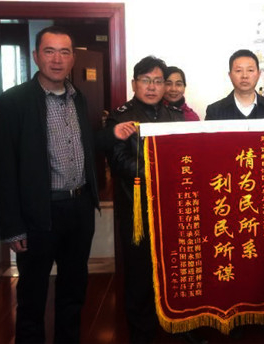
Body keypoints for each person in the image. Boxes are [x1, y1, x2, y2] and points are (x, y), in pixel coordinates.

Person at [0, 26, 128, 343]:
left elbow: (83, 145)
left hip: (79, 209)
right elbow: (3, 167)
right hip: (38, 213)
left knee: (73, 289)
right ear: (35, 56)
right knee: (32, 295)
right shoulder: (14, 101)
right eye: (49, 51)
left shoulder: (78, 97)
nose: (57, 59)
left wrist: (111, 135)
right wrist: (12, 225)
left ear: (72, 59)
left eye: (64, 52)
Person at [102, 56, 183, 343]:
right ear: (134, 83)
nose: (152, 87)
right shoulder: (120, 117)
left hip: (171, 209)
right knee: (139, 274)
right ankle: (141, 333)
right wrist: (160, 170)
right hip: (137, 209)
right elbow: (120, 162)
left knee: (173, 270)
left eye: (158, 81)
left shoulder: (175, 116)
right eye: (145, 80)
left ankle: (175, 325)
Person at [205, 49, 264, 120]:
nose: (244, 76)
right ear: (230, 75)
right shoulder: (214, 111)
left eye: (250, 70)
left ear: (258, 74)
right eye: (238, 70)